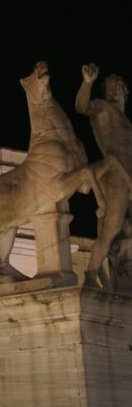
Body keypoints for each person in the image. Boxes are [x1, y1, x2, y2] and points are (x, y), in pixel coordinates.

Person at [75, 63, 132, 287]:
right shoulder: (101, 108)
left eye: (117, 86)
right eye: (109, 86)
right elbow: (81, 106)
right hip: (114, 173)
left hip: (129, 176)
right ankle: (90, 275)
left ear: (125, 90)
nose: (113, 90)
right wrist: (87, 83)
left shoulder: (127, 123)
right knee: (112, 228)